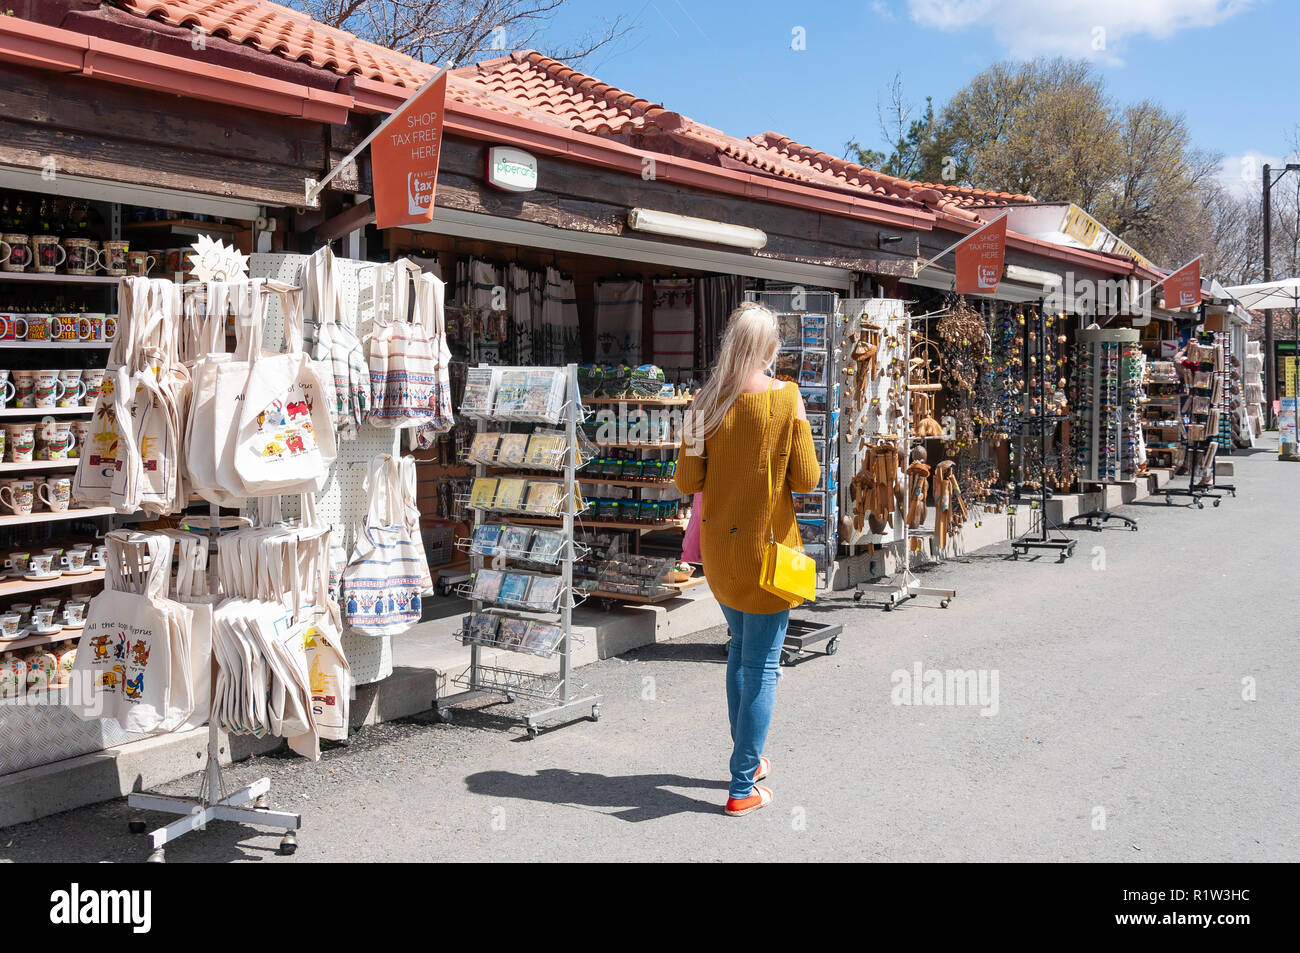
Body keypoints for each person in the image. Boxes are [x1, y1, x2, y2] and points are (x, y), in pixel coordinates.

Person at [674, 301, 820, 816]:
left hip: (719, 553)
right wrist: (797, 425)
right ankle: (741, 787)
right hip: (768, 554)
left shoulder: (701, 402)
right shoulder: (787, 397)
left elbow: (687, 481)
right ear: (770, 348)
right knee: (761, 665)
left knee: (741, 652)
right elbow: (807, 480)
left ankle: (750, 764)